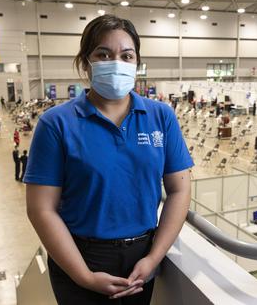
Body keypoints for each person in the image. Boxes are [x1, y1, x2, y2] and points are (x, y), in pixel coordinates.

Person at [24, 15, 193, 304]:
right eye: (104, 54)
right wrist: (83, 276)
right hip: (79, 255)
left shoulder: (160, 117)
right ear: (85, 62)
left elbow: (179, 190)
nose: (117, 63)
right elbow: (41, 209)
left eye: (126, 55)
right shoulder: (56, 124)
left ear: (137, 63)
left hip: (140, 258)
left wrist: (153, 257)